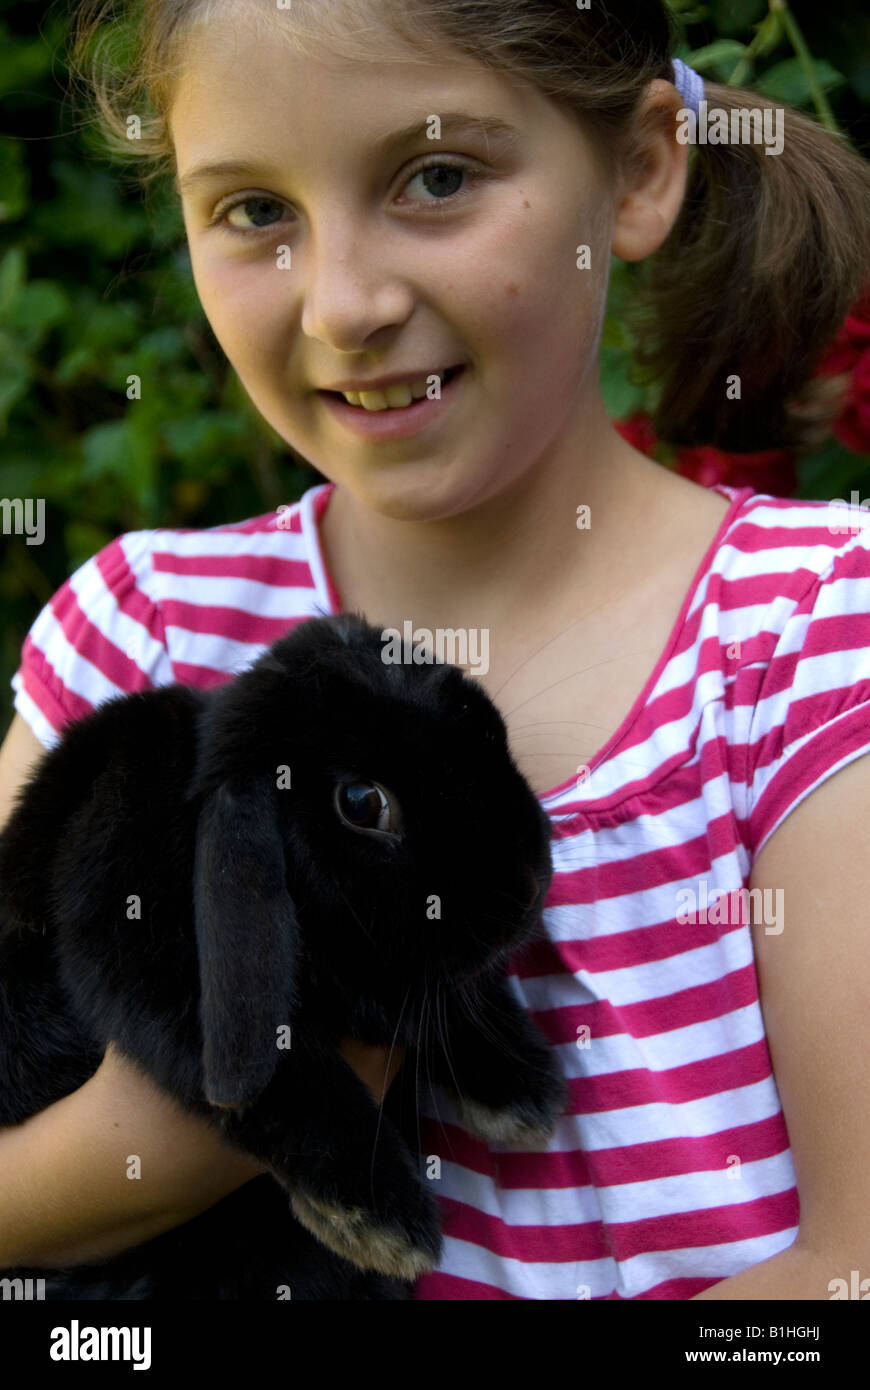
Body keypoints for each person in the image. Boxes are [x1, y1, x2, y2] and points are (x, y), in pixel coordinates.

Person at [1, 0, 869, 1300]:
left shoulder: (811, 637)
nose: (345, 304)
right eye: (254, 210)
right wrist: (190, 1134)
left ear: (638, 172)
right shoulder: (141, 633)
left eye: (439, 177)